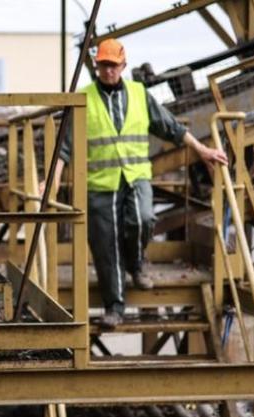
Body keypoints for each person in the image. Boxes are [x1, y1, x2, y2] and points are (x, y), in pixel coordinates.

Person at [50, 38, 228, 329]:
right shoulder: (83, 99)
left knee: (143, 219)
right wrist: (53, 180)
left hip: (136, 176)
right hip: (100, 184)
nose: (108, 71)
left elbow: (171, 127)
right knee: (106, 245)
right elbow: (64, 147)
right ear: (96, 66)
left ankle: (136, 263)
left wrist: (202, 150)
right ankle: (115, 307)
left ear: (123, 65)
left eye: (113, 66)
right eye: (103, 65)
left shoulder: (139, 94)